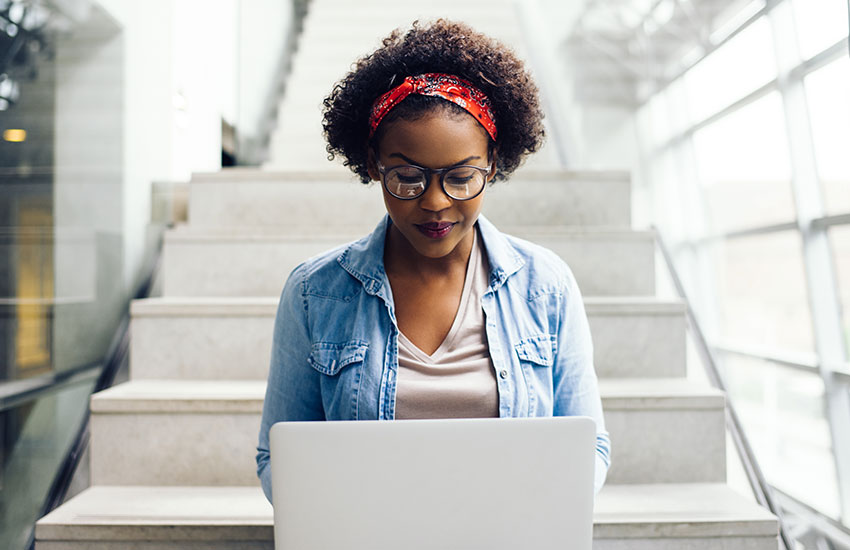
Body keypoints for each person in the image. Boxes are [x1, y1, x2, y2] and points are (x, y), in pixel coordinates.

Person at [256, 19, 610, 504]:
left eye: (462, 177)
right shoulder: (314, 292)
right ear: (374, 165)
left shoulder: (545, 285)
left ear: (493, 163)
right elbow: (278, 456)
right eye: (407, 176)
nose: (436, 203)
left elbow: (589, 446)